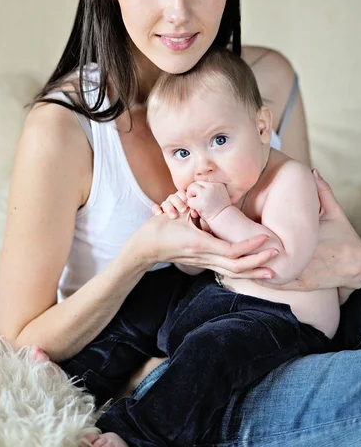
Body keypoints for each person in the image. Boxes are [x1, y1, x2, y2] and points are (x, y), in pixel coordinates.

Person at [0, 0, 361, 447]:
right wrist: (136, 257)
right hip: (196, 379)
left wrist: (355, 259)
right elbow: (20, 340)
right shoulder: (64, 130)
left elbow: (299, 227)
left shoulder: (266, 79)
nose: (180, 11)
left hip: (283, 323)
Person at [75, 48, 338, 447]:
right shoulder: (216, 185)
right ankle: (77, 375)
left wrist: (218, 215)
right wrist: (186, 230)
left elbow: (281, 264)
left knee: (210, 351)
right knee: (147, 294)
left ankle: (138, 434)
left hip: (282, 322)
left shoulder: (288, 180)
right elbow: (193, 271)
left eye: (219, 140)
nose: (202, 167)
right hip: (220, 295)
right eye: (181, 153)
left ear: (262, 127)